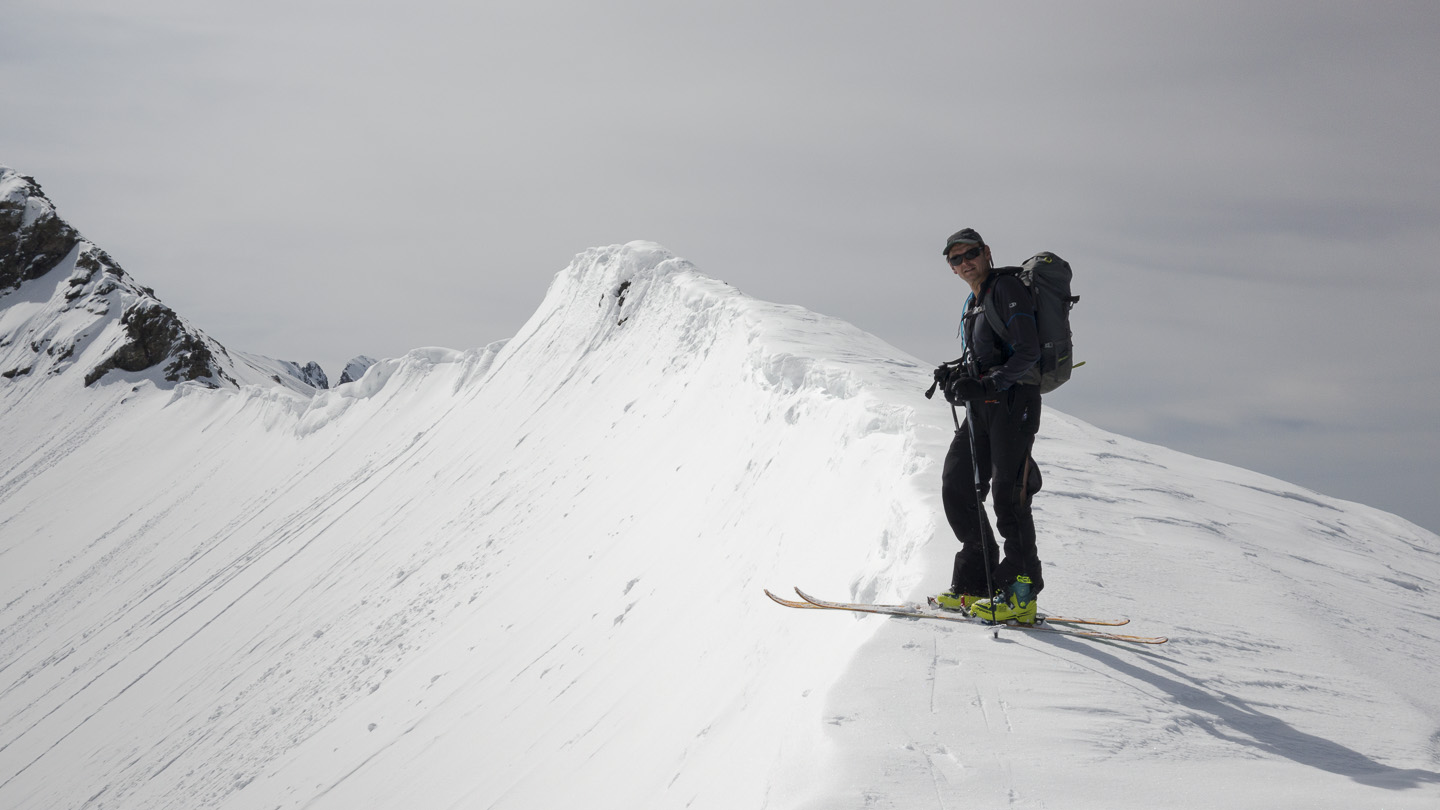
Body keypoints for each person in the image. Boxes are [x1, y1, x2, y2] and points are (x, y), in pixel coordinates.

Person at [932, 228, 1045, 624]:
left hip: (1013, 403)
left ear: (987, 252)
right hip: (983, 407)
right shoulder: (974, 302)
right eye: (956, 259)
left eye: (971, 254)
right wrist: (957, 375)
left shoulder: (1007, 288)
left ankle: (1021, 594)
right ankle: (977, 583)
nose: (965, 263)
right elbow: (989, 355)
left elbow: (1028, 351)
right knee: (957, 484)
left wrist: (987, 383)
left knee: (1008, 497)